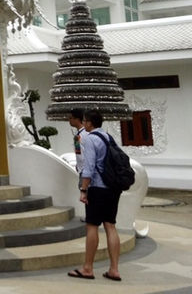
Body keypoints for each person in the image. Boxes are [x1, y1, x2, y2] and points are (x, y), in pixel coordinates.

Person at [68, 109, 122, 281]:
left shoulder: (89, 138)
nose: (84, 123)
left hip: (98, 187)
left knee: (92, 226)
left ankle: (88, 268)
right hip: (112, 187)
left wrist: (83, 190)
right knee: (110, 226)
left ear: (89, 123)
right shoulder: (107, 137)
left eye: (85, 121)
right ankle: (114, 269)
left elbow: (88, 167)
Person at [69, 108, 87, 187]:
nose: (69, 120)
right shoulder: (78, 134)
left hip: (86, 170)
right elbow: (79, 152)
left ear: (77, 119)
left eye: (71, 118)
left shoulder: (84, 134)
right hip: (82, 169)